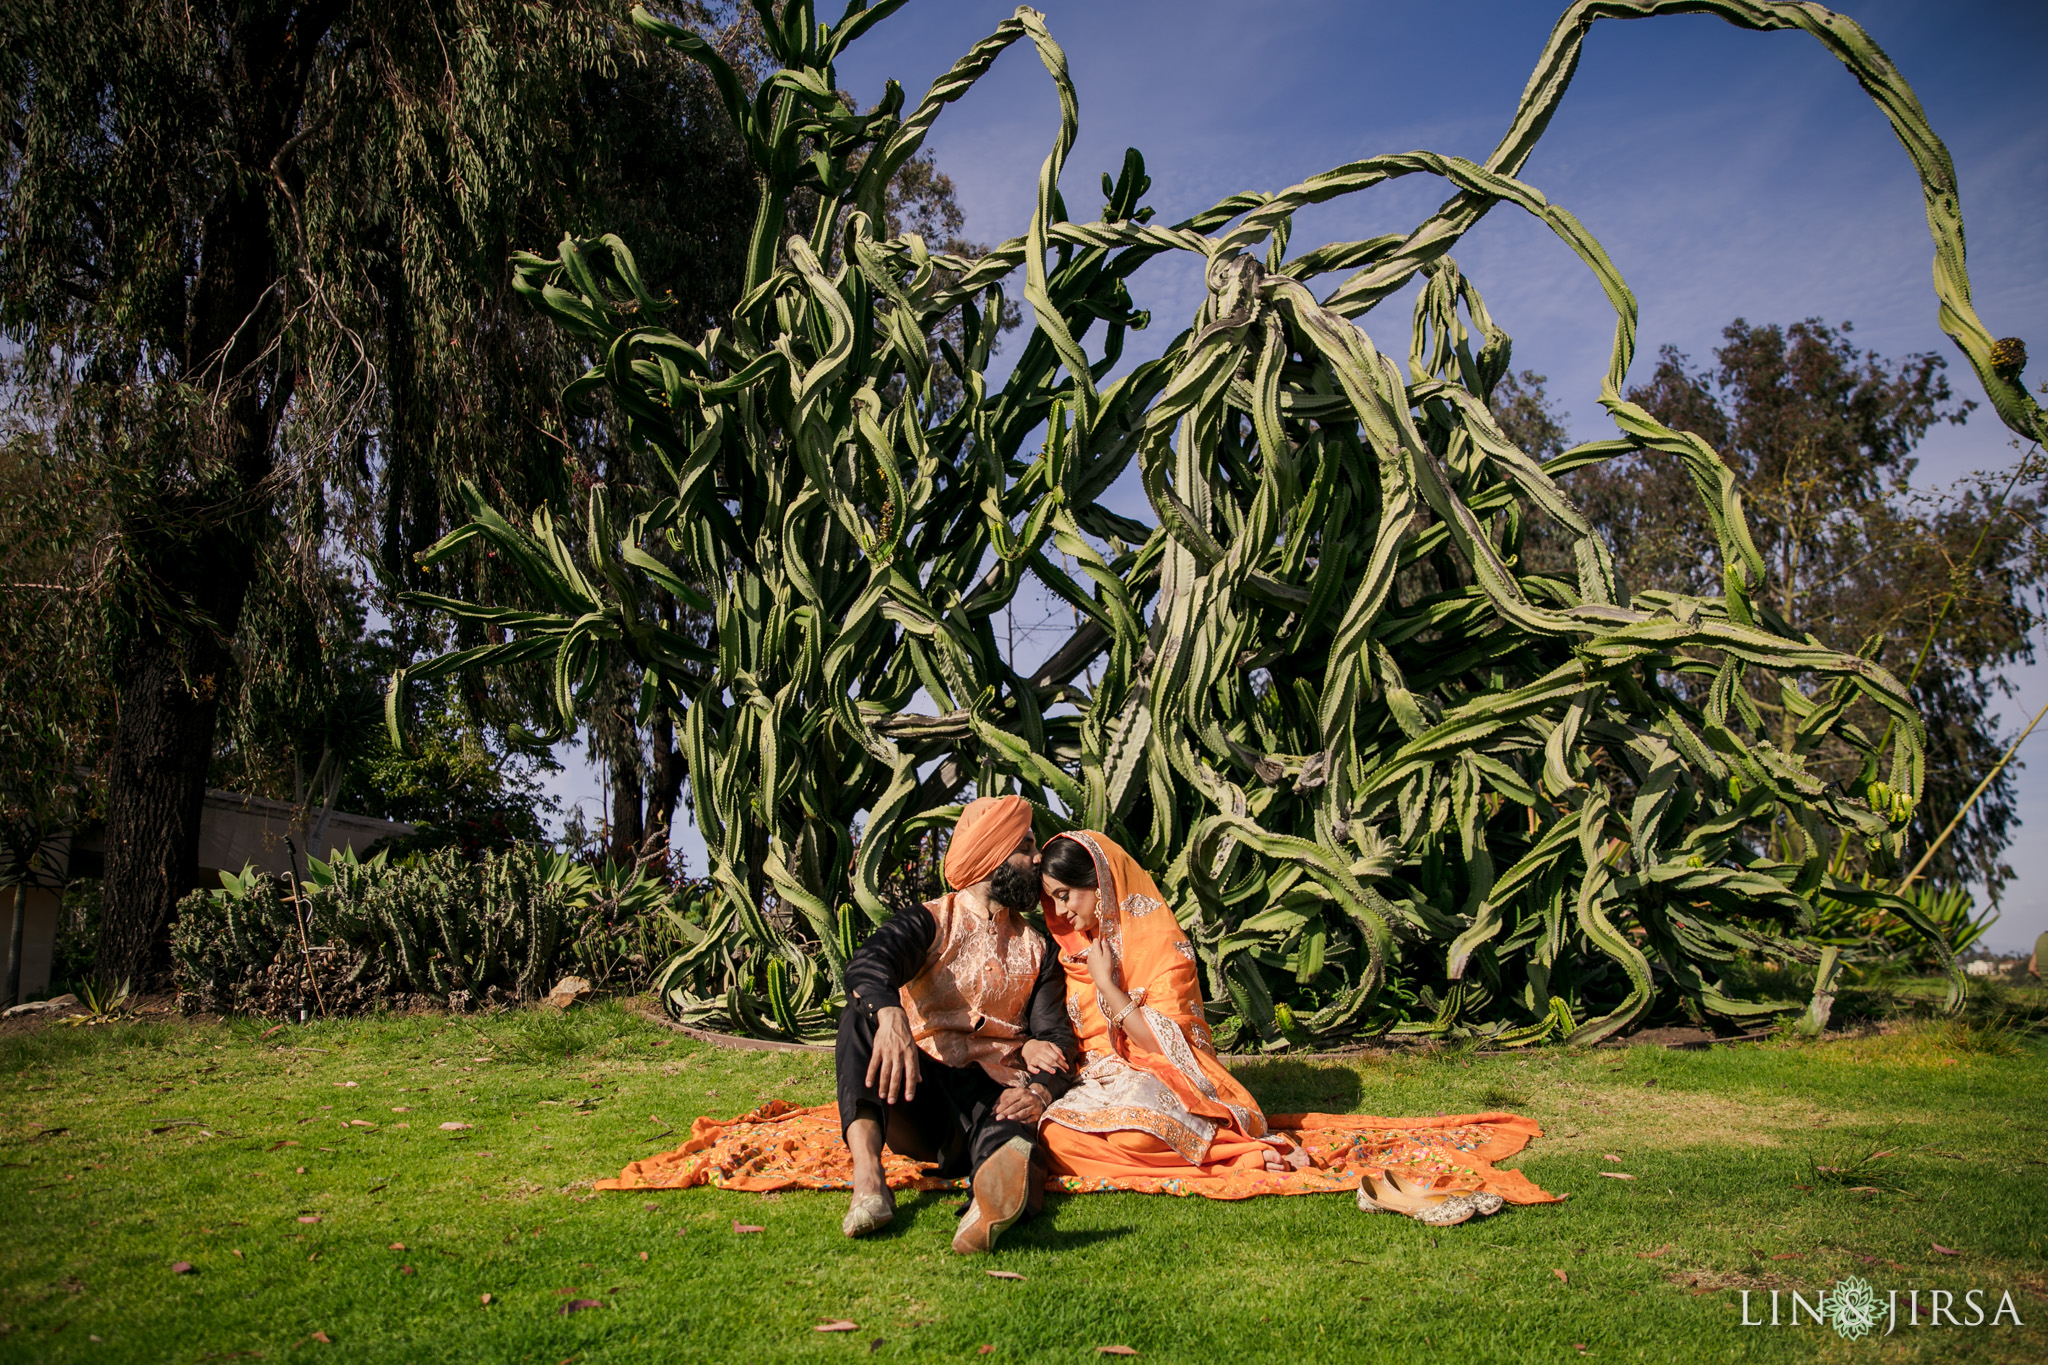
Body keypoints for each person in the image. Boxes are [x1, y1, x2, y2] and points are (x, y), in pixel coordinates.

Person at [835, 793, 1077, 1253]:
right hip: (917, 1087)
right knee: (860, 1018)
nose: (1038, 856)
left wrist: (1040, 1090)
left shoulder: (1038, 947)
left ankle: (986, 1207)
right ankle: (869, 1180)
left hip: (991, 1090)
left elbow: (1055, 1036)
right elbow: (870, 963)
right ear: (993, 854)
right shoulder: (931, 921)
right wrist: (891, 1016)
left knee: (1011, 1130)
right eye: (1025, 846)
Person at [1034, 829, 1313, 1183]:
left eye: (1065, 895)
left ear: (1100, 883)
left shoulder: (1161, 944)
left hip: (1160, 1075)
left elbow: (1161, 1044)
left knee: (1134, 1135)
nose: (1060, 911)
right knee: (1054, 1139)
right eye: (1052, 900)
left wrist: (1107, 985)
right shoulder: (1072, 956)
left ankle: (1236, 1155)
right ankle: (1222, 1163)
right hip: (1094, 1085)